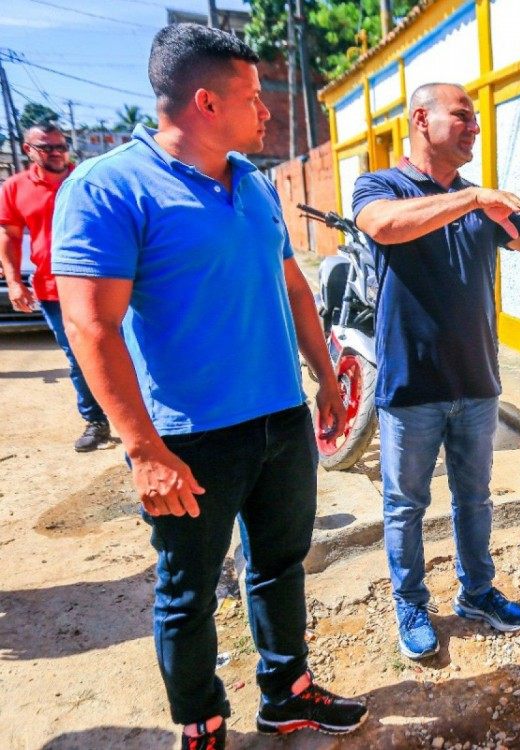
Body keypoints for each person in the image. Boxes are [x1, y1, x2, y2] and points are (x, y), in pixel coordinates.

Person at [51, 24, 367, 749]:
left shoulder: (255, 186)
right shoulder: (108, 189)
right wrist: (142, 450)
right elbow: (92, 327)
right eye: (253, 97)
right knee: (188, 594)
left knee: (280, 566)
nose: (267, 112)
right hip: (189, 438)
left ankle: (287, 694)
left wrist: (323, 378)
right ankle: (201, 719)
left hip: (280, 420)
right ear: (204, 102)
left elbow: (294, 288)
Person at [352, 82, 520, 661]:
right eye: (463, 116)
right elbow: (384, 226)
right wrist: (472, 199)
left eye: (476, 119)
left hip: (476, 381)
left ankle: (477, 593)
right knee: (405, 505)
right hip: (410, 383)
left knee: (474, 498)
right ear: (421, 119)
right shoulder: (381, 185)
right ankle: (410, 602)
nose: (475, 127)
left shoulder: (480, 201)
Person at [0, 122, 112, 451]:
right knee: (80, 357)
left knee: (130, 348)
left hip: (101, 283)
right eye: (46, 147)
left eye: (61, 146)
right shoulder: (15, 188)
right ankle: (95, 421)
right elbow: (9, 237)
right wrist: (15, 281)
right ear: (28, 150)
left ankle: (147, 415)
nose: (56, 153)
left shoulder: (87, 181)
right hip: (52, 290)